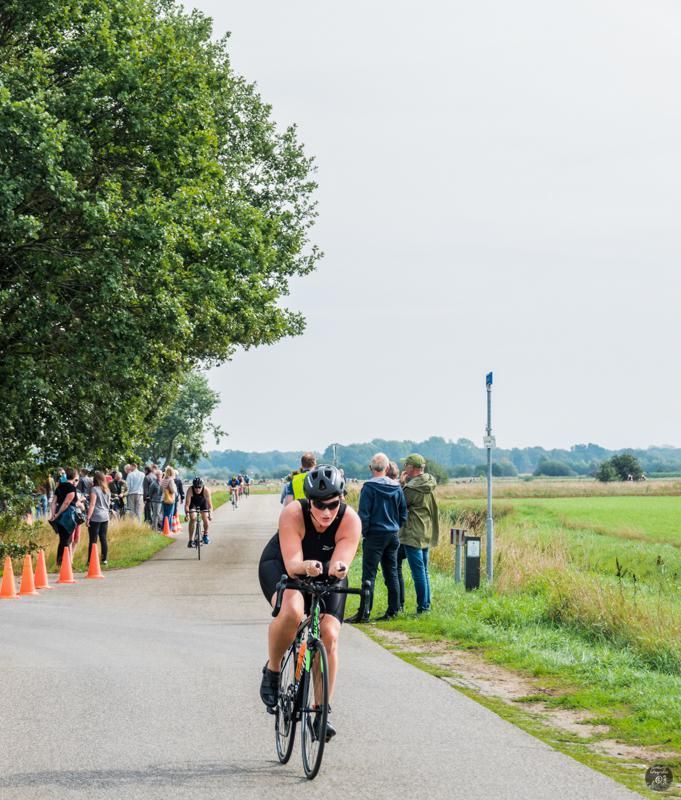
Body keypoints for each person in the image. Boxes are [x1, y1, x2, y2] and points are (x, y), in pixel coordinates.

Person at [258, 465, 361, 741]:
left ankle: (321, 711)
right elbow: (292, 565)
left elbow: (342, 561)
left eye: (333, 505)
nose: (326, 512)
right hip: (283, 565)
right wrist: (306, 566)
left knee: (329, 634)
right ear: (309, 501)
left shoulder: (350, 520)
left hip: (325, 571)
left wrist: (338, 567)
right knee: (292, 611)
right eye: (319, 504)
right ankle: (274, 669)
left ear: (341, 499)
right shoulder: (293, 512)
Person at [347, 453, 407, 623]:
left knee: (369, 575)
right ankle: (394, 610)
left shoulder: (368, 488)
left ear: (370, 468)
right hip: (392, 534)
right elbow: (403, 513)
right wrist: (396, 526)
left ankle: (365, 612)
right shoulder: (397, 488)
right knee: (392, 573)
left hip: (374, 534)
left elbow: (363, 514)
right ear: (387, 468)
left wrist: (365, 532)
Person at [398, 454, 439, 614]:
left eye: (406, 465)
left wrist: (402, 483)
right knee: (424, 570)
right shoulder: (429, 482)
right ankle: (426, 604)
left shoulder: (411, 488)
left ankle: (422, 607)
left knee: (418, 572)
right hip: (426, 530)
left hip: (413, 532)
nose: (404, 468)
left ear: (412, 467)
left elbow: (400, 504)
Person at [49, 467, 81, 567]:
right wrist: (58, 514)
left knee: (62, 539)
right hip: (68, 516)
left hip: (59, 514)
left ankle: (59, 561)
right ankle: (64, 563)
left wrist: (54, 514)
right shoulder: (72, 488)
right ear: (74, 476)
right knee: (67, 540)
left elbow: (53, 502)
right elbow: (67, 503)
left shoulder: (59, 487)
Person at [87, 471, 111, 566]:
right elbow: (108, 504)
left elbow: (92, 504)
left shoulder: (94, 490)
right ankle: (104, 559)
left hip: (96, 516)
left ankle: (91, 559)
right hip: (105, 515)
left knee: (93, 539)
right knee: (103, 538)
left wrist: (88, 517)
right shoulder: (107, 490)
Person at [185, 476, 213, 546]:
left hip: (203, 503)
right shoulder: (190, 490)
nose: (197, 489)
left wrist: (210, 514)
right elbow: (187, 505)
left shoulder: (206, 490)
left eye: (199, 487)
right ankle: (190, 540)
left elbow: (210, 506)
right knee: (193, 518)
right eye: (196, 487)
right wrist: (187, 515)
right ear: (193, 486)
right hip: (193, 503)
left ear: (202, 486)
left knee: (205, 517)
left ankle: (205, 534)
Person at [160, 466, 177, 532]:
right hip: (170, 499)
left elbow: (161, 489)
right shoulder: (170, 480)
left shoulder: (163, 479)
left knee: (165, 514)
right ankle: (168, 528)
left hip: (164, 498)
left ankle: (163, 528)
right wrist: (175, 490)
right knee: (170, 514)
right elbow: (172, 490)